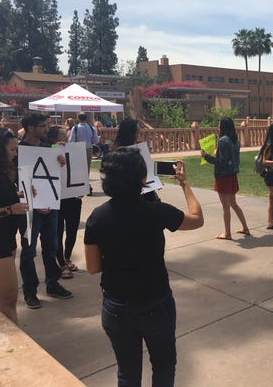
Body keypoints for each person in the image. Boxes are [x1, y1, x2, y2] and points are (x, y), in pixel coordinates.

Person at [85, 148, 204, 386]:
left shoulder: (97, 217)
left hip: (116, 304)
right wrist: (184, 184)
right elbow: (197, 219)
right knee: (163, 366)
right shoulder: (157, 211)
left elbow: (93, 267)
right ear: (142, 179)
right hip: (155, 301)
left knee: (127, 373)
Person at [18, 113, 72, 309]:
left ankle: (52, 283)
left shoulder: (46, 148)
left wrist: (60, 162)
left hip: (50, 206)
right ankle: (30, 291)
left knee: (51, 246)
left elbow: (53, 174)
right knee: (29, 251)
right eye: (42, 126)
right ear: (30, 128)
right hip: (30, 210)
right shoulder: (17, 151)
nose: (45, 130)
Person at [0, 128, 29, 324]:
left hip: (4, 240)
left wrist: (20, 195)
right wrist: (10, 210)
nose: (15, 154)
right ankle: (16, 343)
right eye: (12, 150)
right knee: (9, 298)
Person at [201, 117, 250, 239]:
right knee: (233, 204)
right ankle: (245, 227)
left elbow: (221, 161)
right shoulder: (235, 141)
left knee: (226, 207)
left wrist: (206, 156)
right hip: (232, 175)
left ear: (223, 126)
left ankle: (228, 233)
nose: (218, 125)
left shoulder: (223, 141)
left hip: (223, 176)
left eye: (219, 124)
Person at [47, 126, 81, 279]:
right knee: (59, 230)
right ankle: (61, 262)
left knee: (72, 229)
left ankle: (67, 257)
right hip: (58, 198)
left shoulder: (73, 151)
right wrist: (54, 152)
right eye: (61, 136)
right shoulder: (48, 152)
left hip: (73, 197)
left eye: (65, 136)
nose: (65, 139)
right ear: (52, 139)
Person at [69, 112, 99, 195]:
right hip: (89, 148)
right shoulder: (91, 128)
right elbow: (96, 141)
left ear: (78, 118)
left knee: (78, 168)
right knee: (87, 168)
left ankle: (81, 186)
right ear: (86, 118)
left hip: (78, 149)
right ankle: (86, 185)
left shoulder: (75, 128)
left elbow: (72, 141)